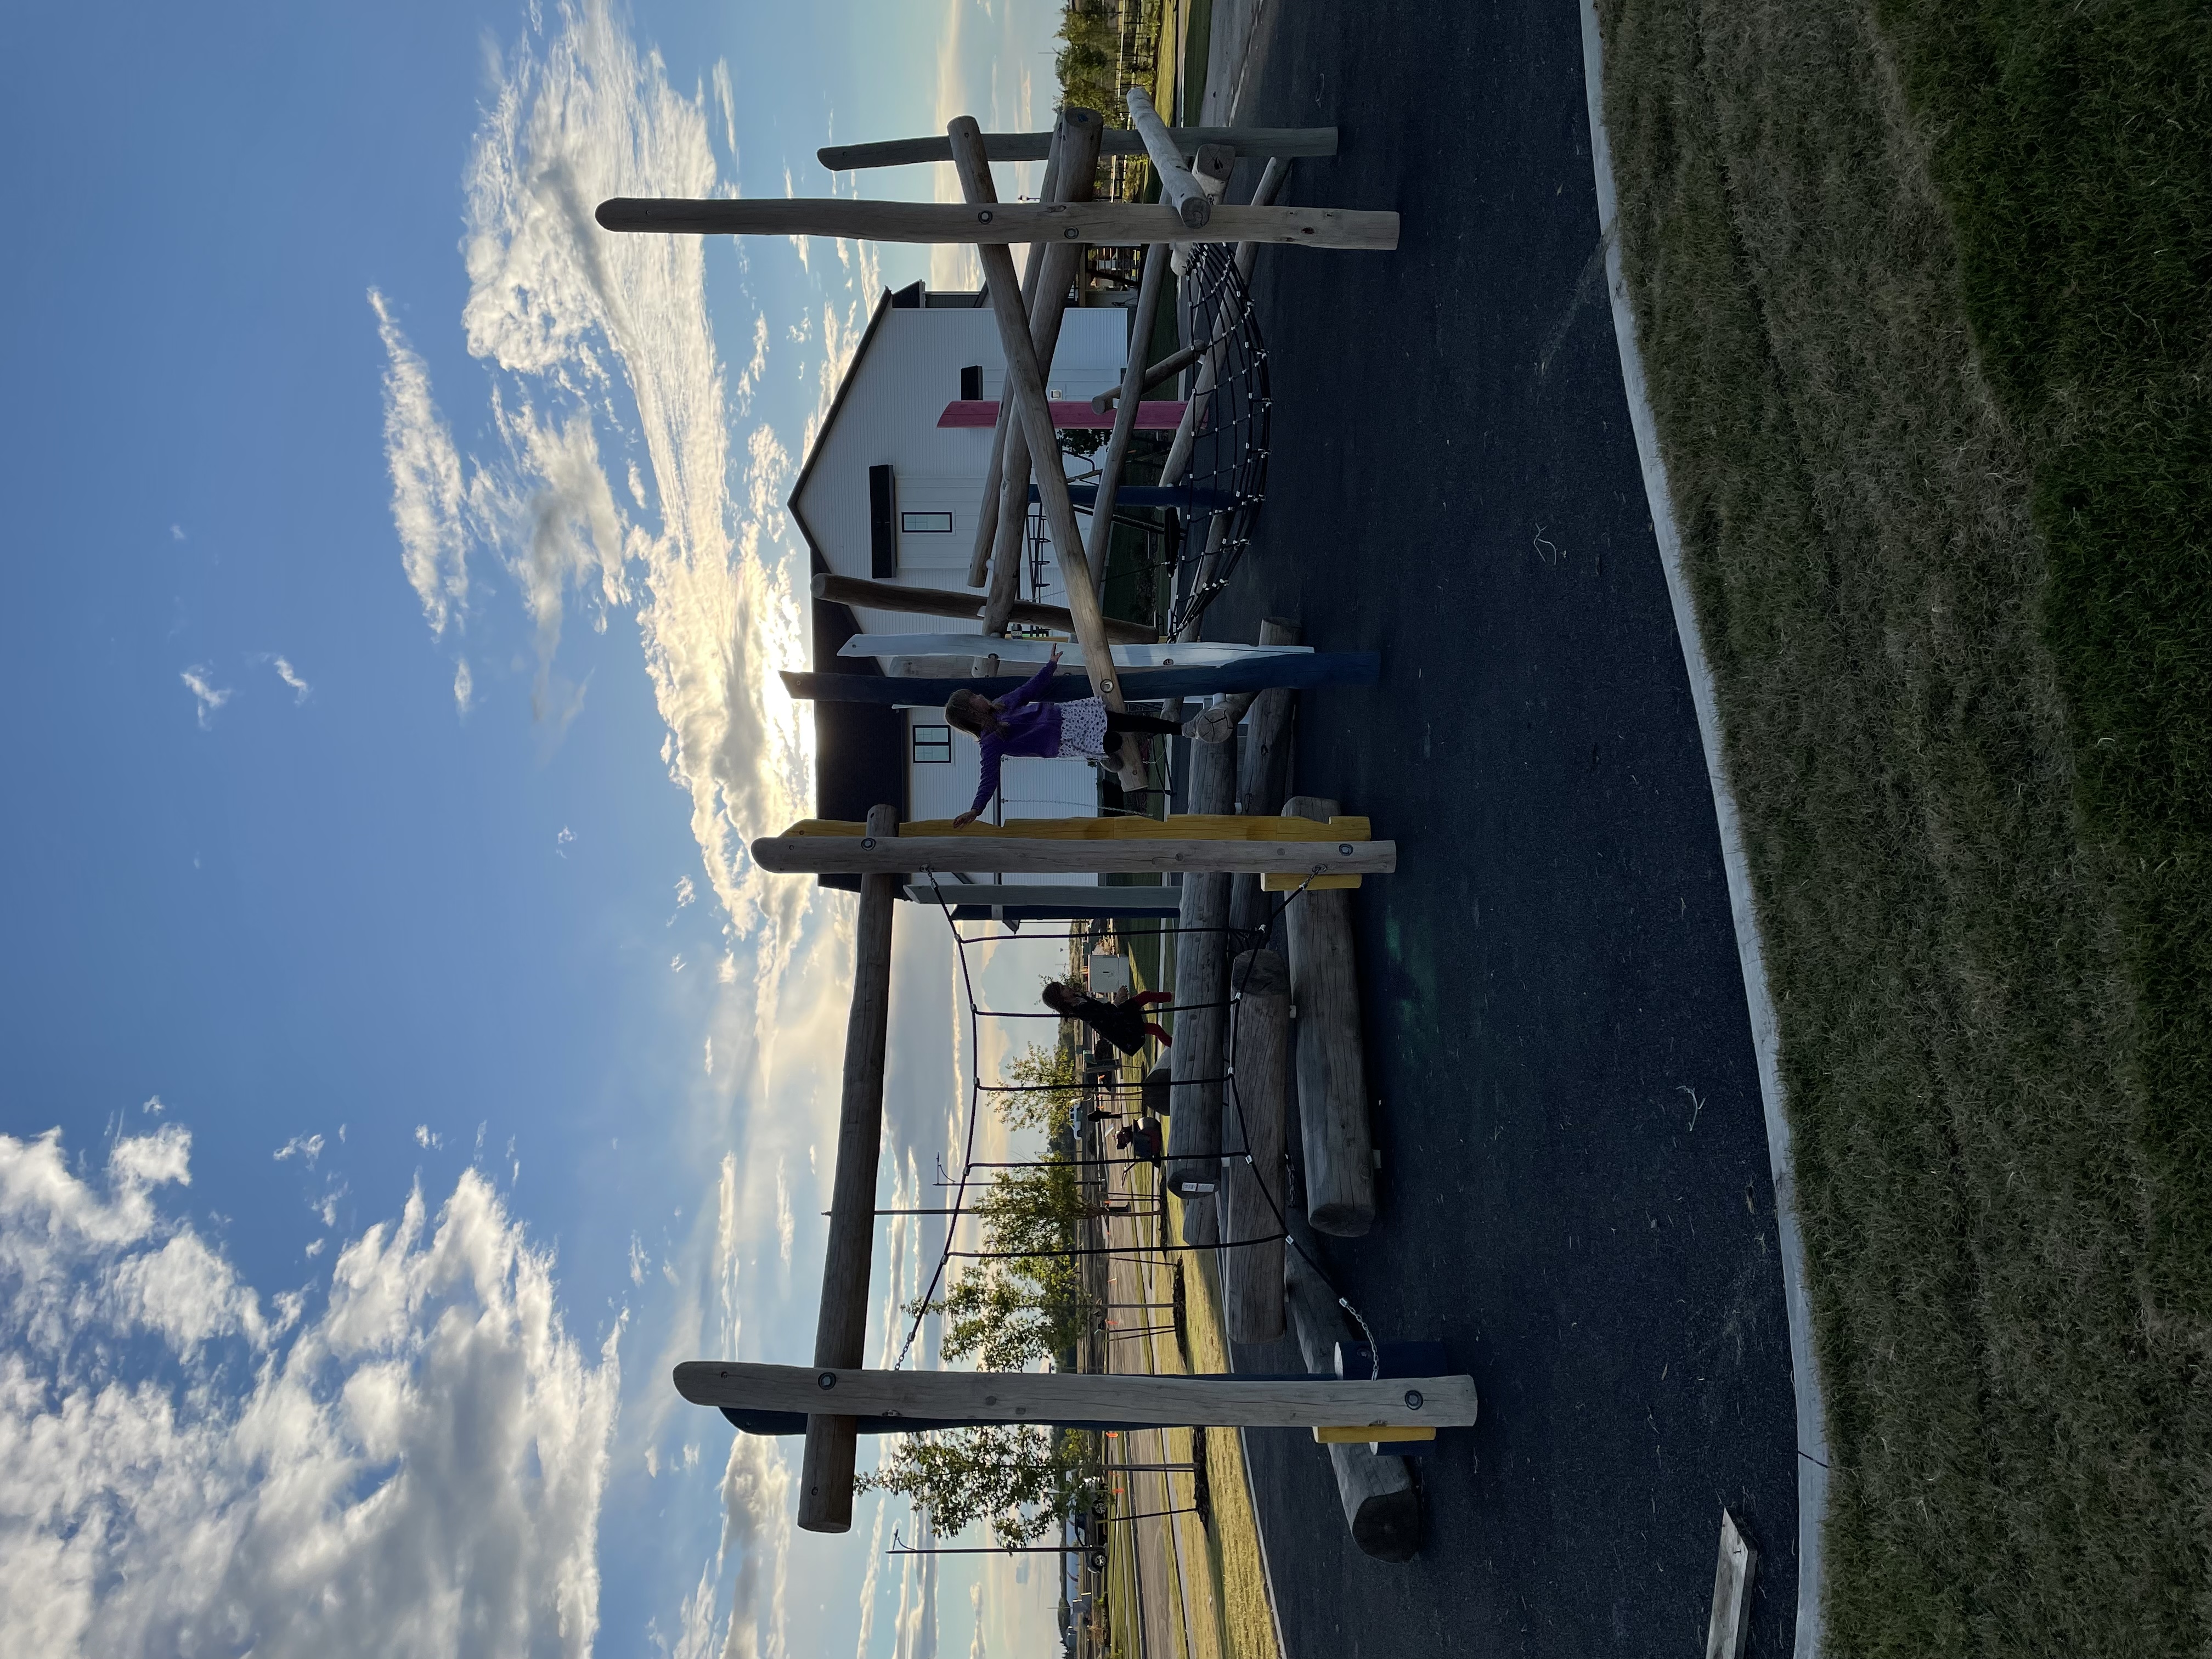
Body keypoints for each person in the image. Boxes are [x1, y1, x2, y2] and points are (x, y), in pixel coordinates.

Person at [944, 646, 1229, 827]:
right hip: (1062, 741)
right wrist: (976, 809)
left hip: (1068, 716)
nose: (981, 696)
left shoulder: (1002, 704)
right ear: (971, 712)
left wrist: (1050, 666)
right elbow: (988, 778)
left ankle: (1184, 730)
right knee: (1114, 742)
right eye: (974, 699)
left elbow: (1028, 691)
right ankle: (1104, 757)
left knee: (1124, 722)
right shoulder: (991, 744)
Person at [1041, 979, 1172, 1054]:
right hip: (1122, 1027)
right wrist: (1117, 1000)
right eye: (1063, 989)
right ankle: (1173, 1045)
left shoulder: (1079, 998)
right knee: (1155, 1028)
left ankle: (1173, 996)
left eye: (1063, 986)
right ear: (1061, 1000)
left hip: (1119, 1015)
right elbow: (1106, 1018)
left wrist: (1116, 1003)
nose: (1067, 987)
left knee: (1145, 996)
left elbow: (1102, 1007)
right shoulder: (1082, 1011)